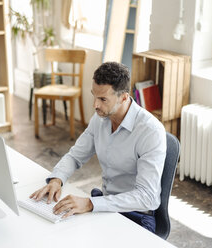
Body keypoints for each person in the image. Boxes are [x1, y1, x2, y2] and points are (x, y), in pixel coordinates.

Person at [30, 62, 166, 233]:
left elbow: (146, 197)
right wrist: (57, 179)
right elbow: (75, 156)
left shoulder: (150, 131)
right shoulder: (100, 118)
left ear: (124, 97)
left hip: (136, 215)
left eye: (103, 99)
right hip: (105, 206)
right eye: (94, 95)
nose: (95, 105)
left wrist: (90, 203)